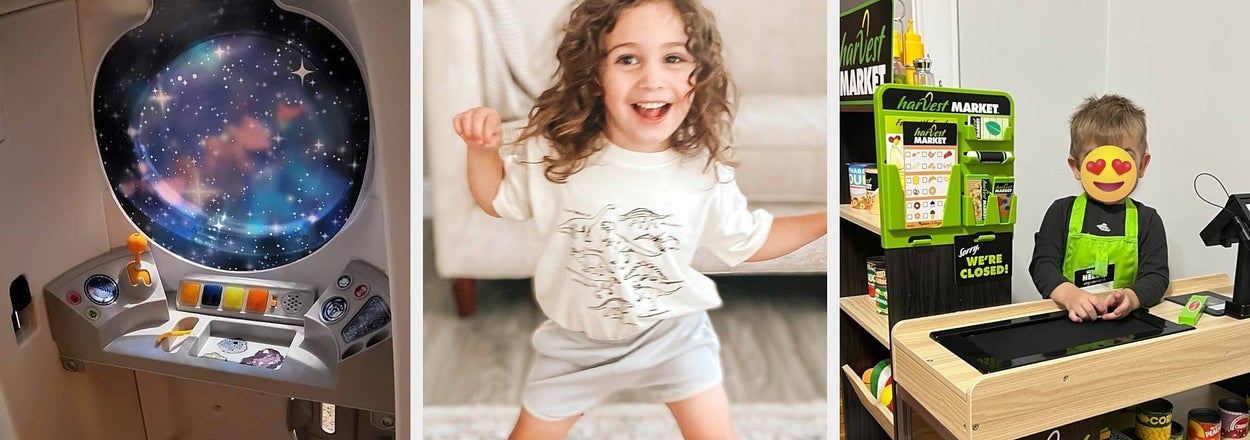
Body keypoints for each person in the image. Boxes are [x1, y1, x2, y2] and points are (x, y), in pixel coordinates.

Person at [452, 0, 826, 438]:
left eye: (673, 58)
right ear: (596, 75)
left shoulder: (701, 169)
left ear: (697, 75)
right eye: (627, 59)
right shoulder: (557, 153)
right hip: (576, 345)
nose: (652, 79)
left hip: (673, 337)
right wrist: (481, 150)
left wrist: (825, 221)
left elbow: (749, 240)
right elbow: (495, 199)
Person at [1029, 94, 1169, 323]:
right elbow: (1042, 265)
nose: (1109, 172)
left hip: (1124, 323)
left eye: (1124, 157)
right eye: (1097, 160)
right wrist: (1070, 295)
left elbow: (1156, 276)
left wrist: (1131, 298)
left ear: (1141, 165)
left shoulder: (1148, 220)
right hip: (1066, 321)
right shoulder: (1061, 212)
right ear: (1077, 167)